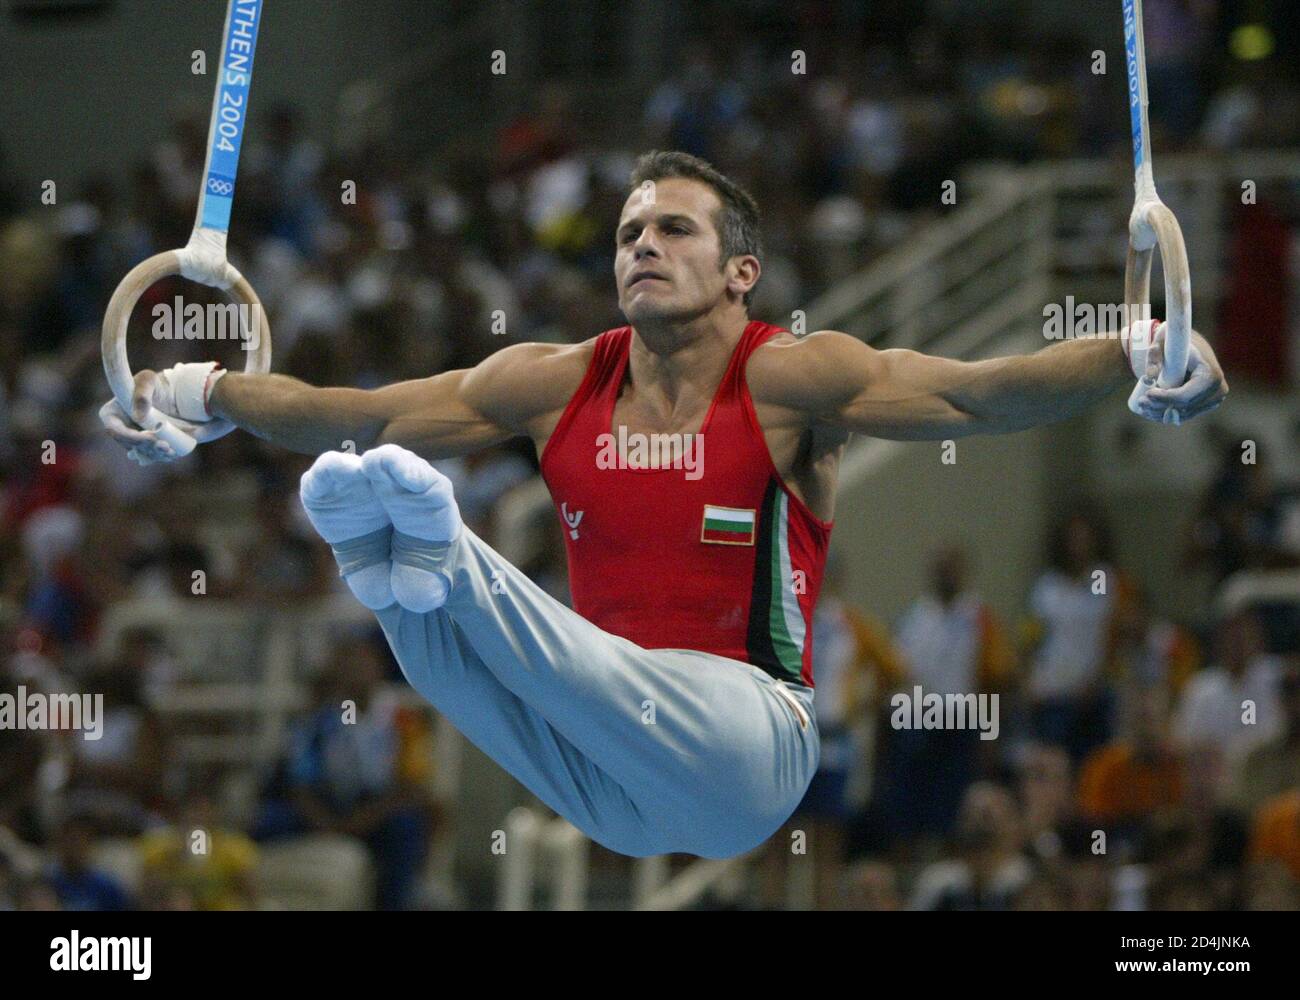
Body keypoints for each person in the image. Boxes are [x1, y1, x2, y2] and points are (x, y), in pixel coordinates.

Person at [99, 150, 1228, 859]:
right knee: (435, 647)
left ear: (741, 270)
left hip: (748, 751)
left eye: (673, 228)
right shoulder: (553, 382)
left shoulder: (790, 378)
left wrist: (1137, 351)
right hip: (615, 795)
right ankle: (410, 576)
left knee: (484, 601)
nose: (641, 244)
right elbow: (357, 410)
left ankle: (441, 560)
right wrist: (199, 389)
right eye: (630, 231)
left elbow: (976, 399)